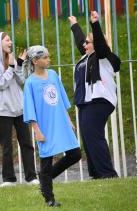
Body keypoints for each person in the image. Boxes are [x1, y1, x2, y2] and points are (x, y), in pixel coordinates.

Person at [23, 45, 81, 207]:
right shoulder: (30, 83)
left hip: (60, 121)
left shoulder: (54, 75)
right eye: (46, 57)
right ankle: (49, 198)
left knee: (75, 154)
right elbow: (30, 108)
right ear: (35, 61)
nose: (49, 59)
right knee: (46, 160)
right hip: (44, 126)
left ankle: (45, 178)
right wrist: (36, 131)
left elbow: (61, 100)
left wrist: (68, 121)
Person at [69, 11, 120, 179]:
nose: (85, 44)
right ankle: (96, 174)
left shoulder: (104, 56)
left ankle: (107, 173)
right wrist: (75, 25)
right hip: (86, 102)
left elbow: (99, 43)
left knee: (93, 134)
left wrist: (95, 24)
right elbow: (80, 41)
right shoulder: (86, 57)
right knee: (87, 137)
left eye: (88, 42)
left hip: (100, 100)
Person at [0, 33, 39, 187]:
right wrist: (10, 67)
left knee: (26, 143)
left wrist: (19, 64)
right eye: (7, 40)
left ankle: (31, 177)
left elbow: (21, 80)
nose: (11, 42)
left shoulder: (11, 58)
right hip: (3, 110)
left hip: (19, 108)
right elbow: (0, 83)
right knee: (7, 146)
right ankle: (9, 179)